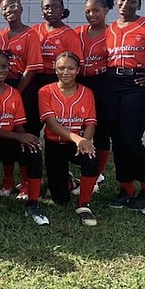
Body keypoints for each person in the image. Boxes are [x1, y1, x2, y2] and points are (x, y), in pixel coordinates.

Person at [105, 0, 145, 210]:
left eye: (131, 1)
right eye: (121, 0)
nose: (125, 5)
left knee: (131, 138)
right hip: (112, 83)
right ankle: (125, 188)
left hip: (136, 85)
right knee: (118, 140)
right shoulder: (109, 29)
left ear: (139, 4)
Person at [0, 50, 47, 225]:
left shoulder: (14, 93)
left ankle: (33, 201)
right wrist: (19, 137)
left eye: (4, 66)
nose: (0, 70)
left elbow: (18, 124)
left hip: (10, 142)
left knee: (33, 151)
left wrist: (25, 137)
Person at [38, 51, 99, 226]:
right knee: (60, 198)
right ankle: (70, 182)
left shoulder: (87, 93)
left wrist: (85, 142)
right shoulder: (45, 91)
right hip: (55, 145)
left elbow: (90, 124)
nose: (66, 72)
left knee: (90, 158)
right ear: (55, 69)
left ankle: (84, 203)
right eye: (61, 68)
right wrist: (78, 140)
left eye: (70, 68)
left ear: (78, 70)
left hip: (77, 144)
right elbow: (51, 124)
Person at [76, 0, 115, 184]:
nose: (91, 14)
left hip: (102, 84)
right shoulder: (78, 32)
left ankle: (96, 174)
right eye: (88, 11)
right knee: (77, 126)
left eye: (96, 10)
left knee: (101, 130)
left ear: (107, 10)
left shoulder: (113, 33)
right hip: (79, 84)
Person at [0, 0, 44, 136]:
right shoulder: (1, 35)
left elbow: (32, 68)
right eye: (4, 8)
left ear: (21, 8)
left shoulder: (30, 34)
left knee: (27, 123)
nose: (9, 10)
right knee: (8, 122)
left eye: (13, 6)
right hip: (4, 84)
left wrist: (17, 92)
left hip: (24, 84)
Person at [33, 0, 83, 88]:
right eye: (46, 7)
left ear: (62, 10)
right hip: (34, 79)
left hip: (58, 80)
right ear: (41, 11)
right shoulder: (34, 31)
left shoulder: (69, 35)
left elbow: (76, 64)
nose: (50, 11)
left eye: (55, 7)